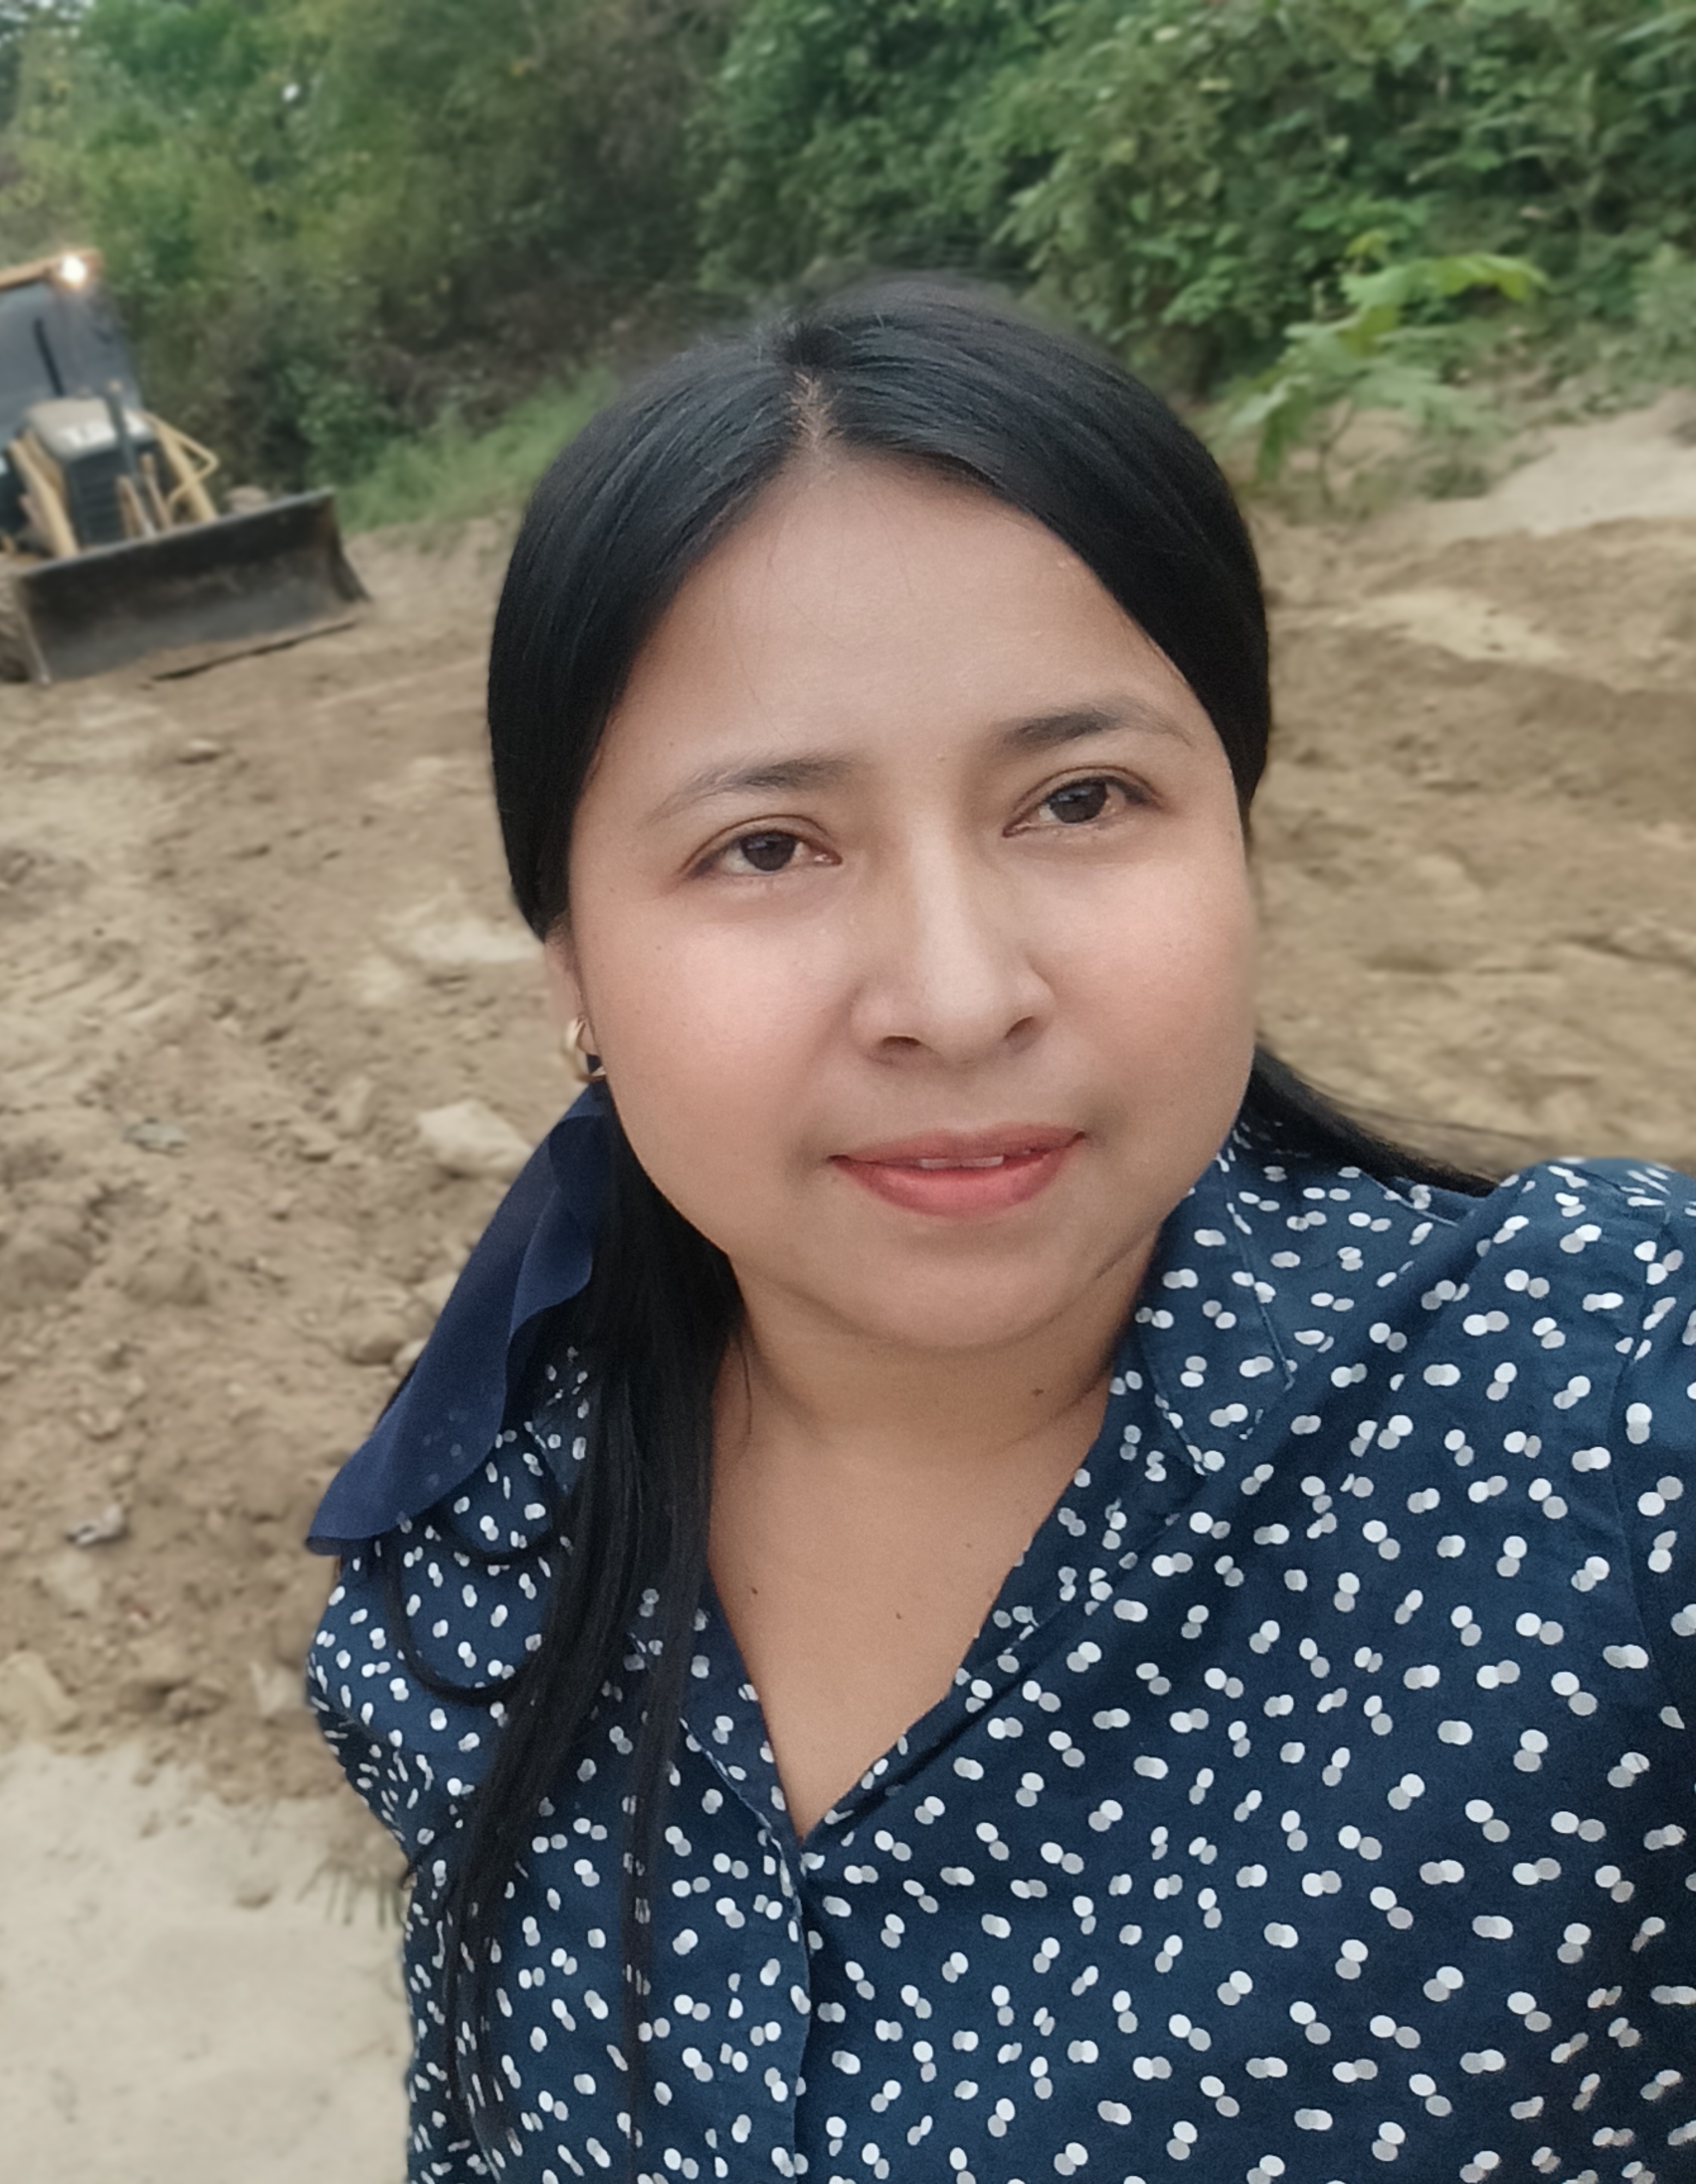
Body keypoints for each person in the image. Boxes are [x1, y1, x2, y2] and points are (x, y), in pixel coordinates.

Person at [304, 281, 1696, 2184]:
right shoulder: (471, 1574)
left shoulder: (1604, 1410)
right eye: (768, 846)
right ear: (571, 969)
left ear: (1239, 838)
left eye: (1080, 799)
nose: (957, 1001)